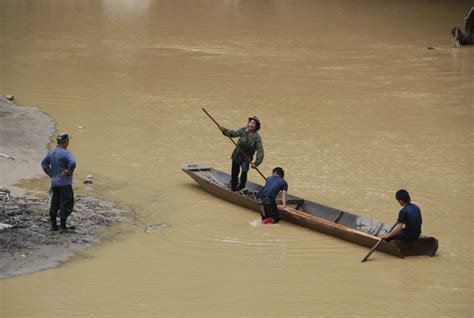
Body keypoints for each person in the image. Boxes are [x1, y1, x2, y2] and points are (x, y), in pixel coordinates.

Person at [41, 133, 77, 233]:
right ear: (66, 142)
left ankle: (53, 225)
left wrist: (51, 174)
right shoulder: (66, 153)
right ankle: (63, 227)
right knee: (66, 203)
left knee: (55, 203)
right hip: (64, 183)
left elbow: (44, 164)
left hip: (55, 183)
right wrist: (69, 171)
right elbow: (73, 162)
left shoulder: (52, 152)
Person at [220, 116, 264, 192]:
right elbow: (232, 133)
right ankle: (233, 188)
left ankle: (241, 187)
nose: (251, 124)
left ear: (256, 126)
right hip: (237, 154)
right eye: (250, 122)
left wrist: (256, 163)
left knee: (244, 171)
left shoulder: (257, 137)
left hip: (247, 157)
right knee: (235, 172)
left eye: (253, 123)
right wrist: (224, 130)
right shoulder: (243, 130)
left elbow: (260, 151)